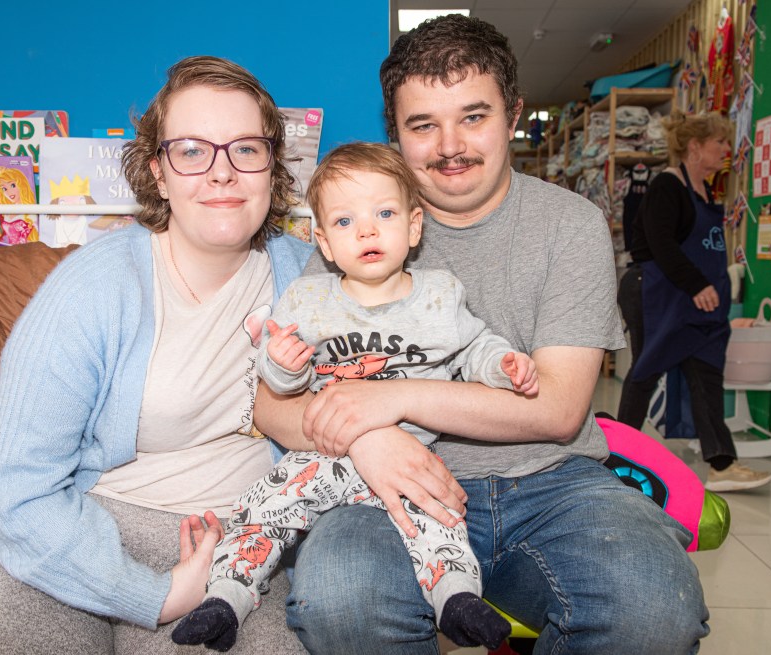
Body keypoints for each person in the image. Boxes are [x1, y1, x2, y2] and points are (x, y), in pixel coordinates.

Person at [255, 15, 711, 655]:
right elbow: (272, 406)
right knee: (338, 596)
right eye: (422, 125)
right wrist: (372, 445)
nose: (450, 145)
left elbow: (556, 409)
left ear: (513, 113)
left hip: (553, 484)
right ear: (397, 133)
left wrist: (394, 401)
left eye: (474, 116)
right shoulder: (357, 228)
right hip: (384, 487)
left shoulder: (569, 225)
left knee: (653, 605)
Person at [0, 55, 314, 655]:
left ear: (272, 166)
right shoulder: (93, 286)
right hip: (74, 538)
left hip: (237, 561)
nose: (222, 173)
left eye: (245, 148)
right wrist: (156, 596)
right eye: (192, 150)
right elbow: (16, 492)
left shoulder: (313, 281)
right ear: (158, 173)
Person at [171, 142, 538, 652]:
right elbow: (276, 386)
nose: (366, 230)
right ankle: (227, 596)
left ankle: (456, 599)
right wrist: (282, 363)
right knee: (263, 505)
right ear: (323, 241)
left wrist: (503, 366)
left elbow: (473, 346)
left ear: (413, 227)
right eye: (345, 222)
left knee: (440, 519)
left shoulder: (439, 294)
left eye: (384, 214)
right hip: (325, 455)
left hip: (410, 459)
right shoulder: (308, 299)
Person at [617, 110, 771, 493]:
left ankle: (721, 464)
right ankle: (615, 455)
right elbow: (659, 242)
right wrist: (697, 284)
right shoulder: (668, 186)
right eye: (718, 141)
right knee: (646, 369)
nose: (725, 149)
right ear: (694, 146)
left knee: (705, 373)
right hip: (658, 292)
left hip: (689, 298)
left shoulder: (705, 191)